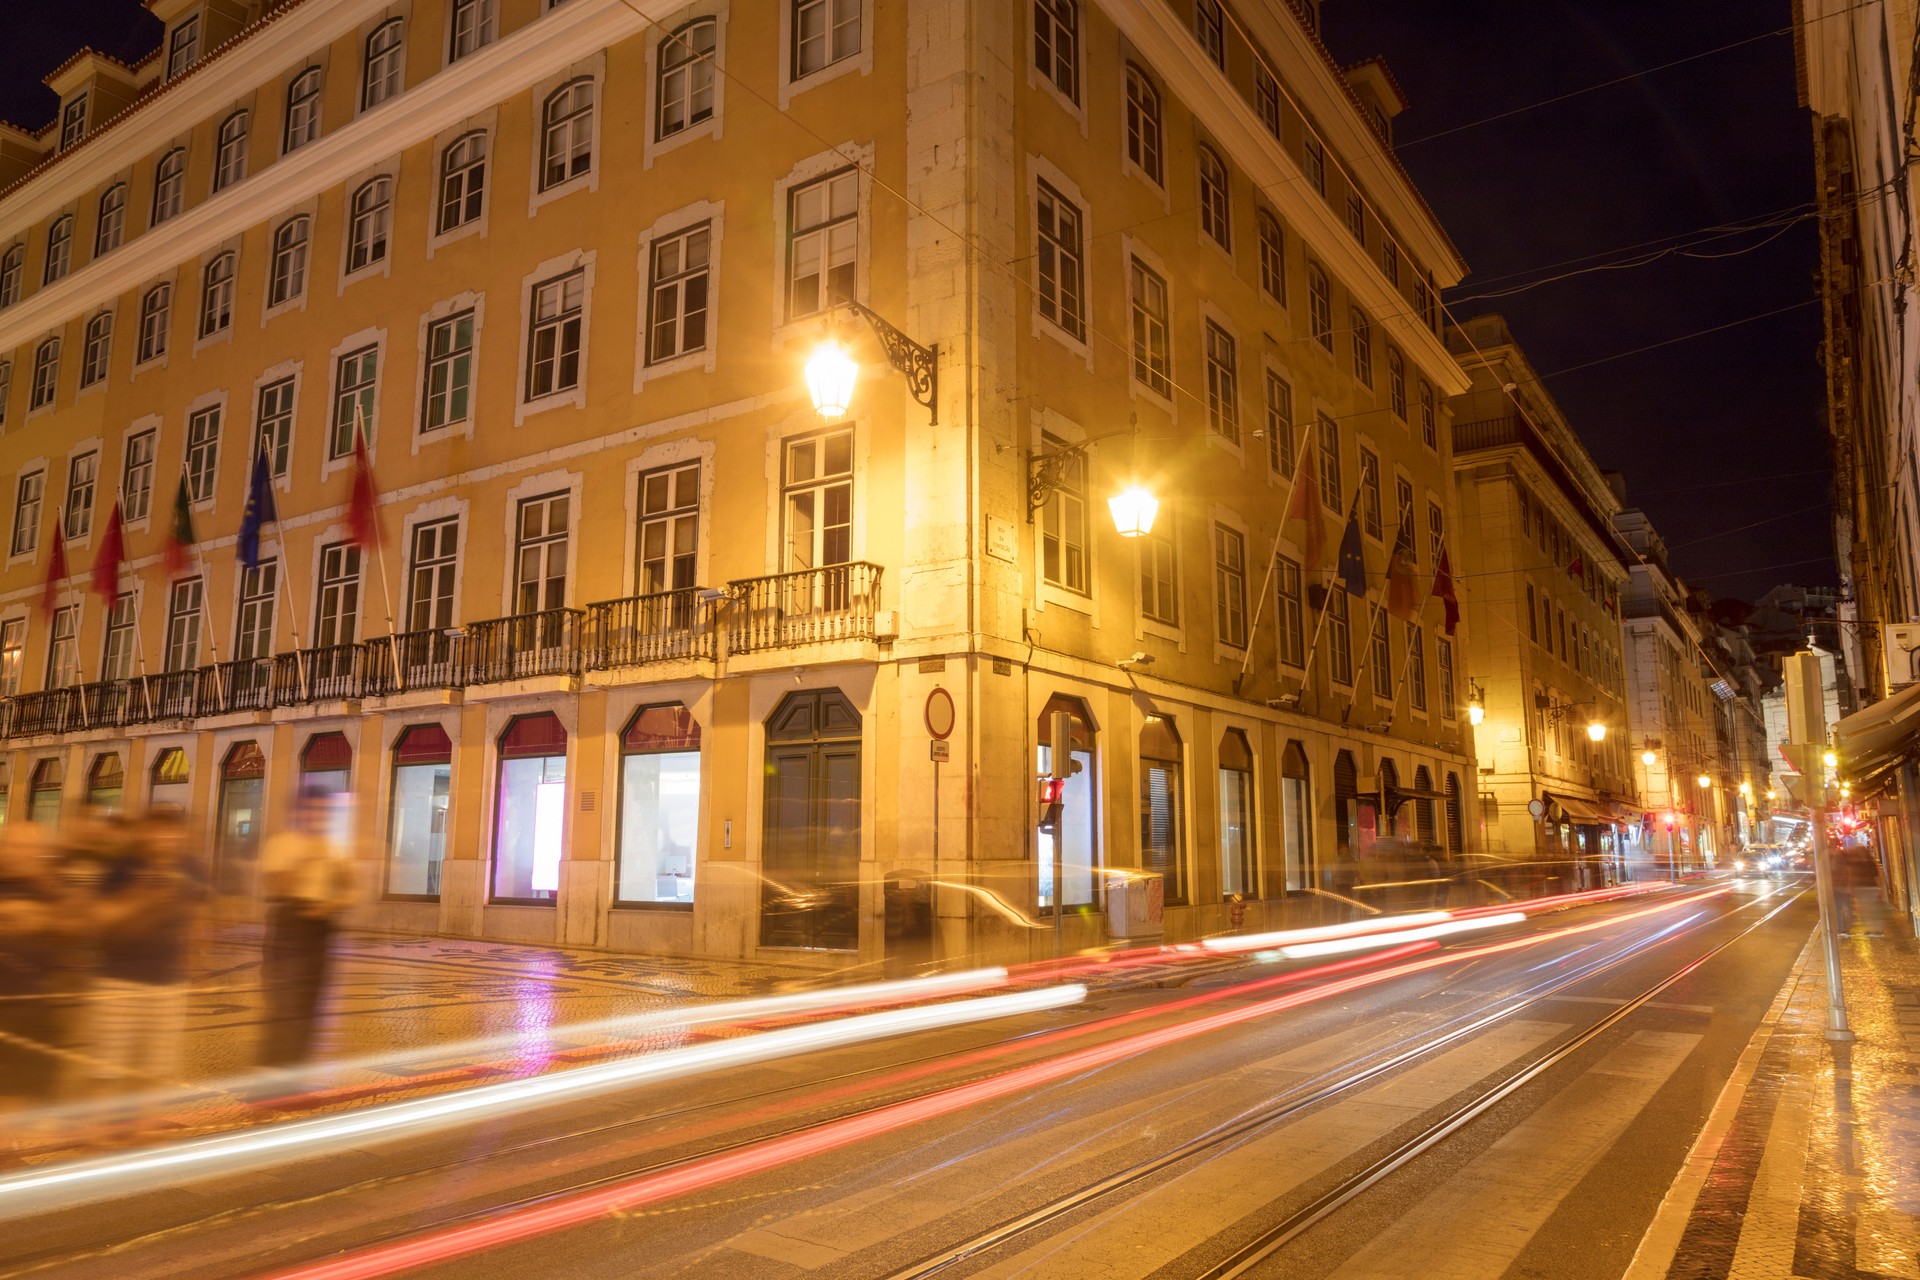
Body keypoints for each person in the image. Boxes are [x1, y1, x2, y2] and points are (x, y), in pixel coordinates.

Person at [80, 811, 205, 1100]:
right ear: (146, 834)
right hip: (119, 980)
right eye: (159, 832)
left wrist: (195, 958)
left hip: (169, 982)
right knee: (106, 1069)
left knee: (155, 1069)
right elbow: (101, 918)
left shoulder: (191, 867)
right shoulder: (123, 868)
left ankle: (142, 1131)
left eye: (173, 833)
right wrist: (145, 896)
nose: (166, 839)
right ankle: (98, 1130)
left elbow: (199, 913)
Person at [257, 790, 358, 1067]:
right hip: (290, 923)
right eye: (312, 810)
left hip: (321, 927)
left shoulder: (333, 846)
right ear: (298, 812)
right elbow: (278, 885)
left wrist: (333, 904)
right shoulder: (282, 844)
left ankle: (296, 1072)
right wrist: (309, 855)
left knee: (311, 1003)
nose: (318, 816)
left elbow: (352, 887)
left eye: (323, 811)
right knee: (285, 1001)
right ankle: (271, 1072)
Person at [0, 824, 83, 1110]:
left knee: (29, 1093)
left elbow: (75, 928)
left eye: (33, 849)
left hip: (36, 1005)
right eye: (17, 847)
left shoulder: (51, 887)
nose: (24, 855)